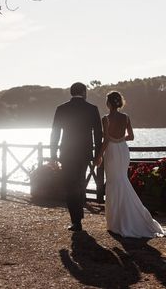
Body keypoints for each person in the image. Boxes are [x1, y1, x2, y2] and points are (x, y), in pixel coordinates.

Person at [99, 90, 166, 238]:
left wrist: (98, 156)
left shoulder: (106, 118)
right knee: (122, 180)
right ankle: (130, 216)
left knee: (113, 182)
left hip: (111, 150)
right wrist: (120, 139)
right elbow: (131, 136)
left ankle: (116, 221)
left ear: (109, 103)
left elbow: (105, 140)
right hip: (123, 150)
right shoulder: (126, 117)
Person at [50, 82, 103, 232]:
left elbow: (55, 133)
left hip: (67, 152)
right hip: (85, 152)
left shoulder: (62, 109)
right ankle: (78, 215)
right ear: (84, 92)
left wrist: (53, 155)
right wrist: (98, 154)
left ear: (71, 92)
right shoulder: (92, 109)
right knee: (80, 182)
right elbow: (98, 134)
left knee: (70, 185)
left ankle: (76, 220)